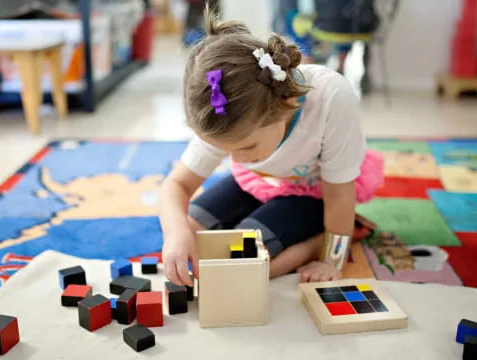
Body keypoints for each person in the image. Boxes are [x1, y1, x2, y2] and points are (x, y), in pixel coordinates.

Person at [161, 6, 384, 287]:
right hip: (263, 183)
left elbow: (339, 194)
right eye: (225, 149)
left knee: (244, 256)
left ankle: (317, 241)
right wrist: (176, 234)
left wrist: (330, 260)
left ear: (287, 104)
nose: (235, 158)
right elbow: (176, 185)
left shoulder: (331, 97)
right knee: (190, 229)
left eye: (246, 147)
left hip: (319, 192)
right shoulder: (224, 112)